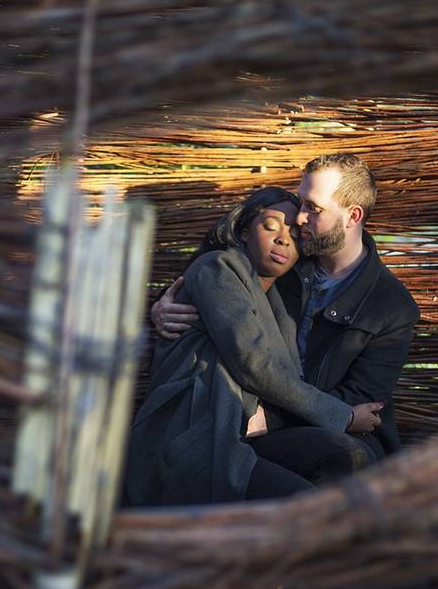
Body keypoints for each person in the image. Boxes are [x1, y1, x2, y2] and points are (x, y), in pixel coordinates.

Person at [153, 153, 419, 464]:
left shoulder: (392, 307)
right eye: (302, 202)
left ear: (352, 216)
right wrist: (163, 304)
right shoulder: (284, 261)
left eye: (313, 208)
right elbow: (218, 281)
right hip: (245, 422)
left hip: (334, 433)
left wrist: (272, 420)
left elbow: (363, 402)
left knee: (345, 457)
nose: (300, 219)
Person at [124, 187, 377, 507]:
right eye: (271, 226)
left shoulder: (282, 304)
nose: (284, 239)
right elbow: (253, 363)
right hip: (196, 435)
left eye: (296, 234)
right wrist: (344, 417)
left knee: (350, 455)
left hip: (242, 433)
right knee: (305, 506)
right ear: (243, 231)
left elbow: (288, 380)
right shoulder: (217, 267)